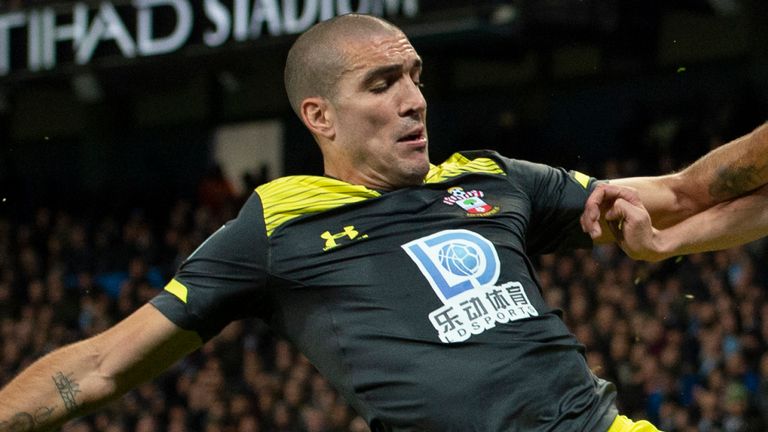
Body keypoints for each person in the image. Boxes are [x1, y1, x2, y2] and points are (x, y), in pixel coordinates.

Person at [1, 13, 767, 432]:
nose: (414, 100)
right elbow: (101, 366)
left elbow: (688, 192)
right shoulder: (275, 223)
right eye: (382, 83)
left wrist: (668, 232)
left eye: (415, 77)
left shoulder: (494, 179)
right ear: (319, 116)